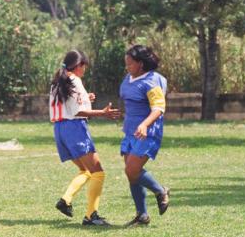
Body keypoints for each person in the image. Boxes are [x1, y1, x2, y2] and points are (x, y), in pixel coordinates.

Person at [50, 50, 121, 226]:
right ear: (79, 65)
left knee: (86, 171)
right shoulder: (75, 80)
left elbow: (68, 104)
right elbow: (77, 111)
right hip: (74, 128)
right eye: (84, 68)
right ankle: (91, 216)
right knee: (98, 172)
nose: (84, 71)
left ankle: (65, 200)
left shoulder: (57, 81)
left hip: (60, 129)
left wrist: (85, 98)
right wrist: (102, 113)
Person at [119, 45, 170, 226]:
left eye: (130, 64)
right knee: (132, 174)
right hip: (130, 131)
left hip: (147, 132)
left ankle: (160, 191)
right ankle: (142, 215)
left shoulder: (152, 81)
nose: (127, 67)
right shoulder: (129, 78)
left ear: (140, 64)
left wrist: (144, 124)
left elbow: (158, 108)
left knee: (132, 170)